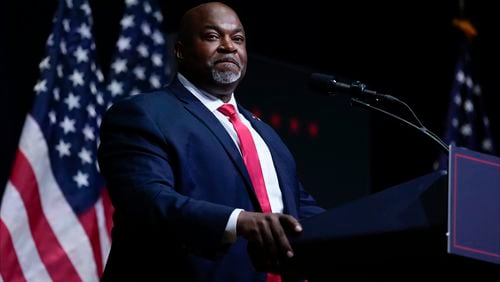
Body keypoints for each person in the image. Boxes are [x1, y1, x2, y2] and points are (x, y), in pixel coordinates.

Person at [97, 2, 324, 281]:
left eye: (237, 39)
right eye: (213, 36)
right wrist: (238, 222)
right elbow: (148, 202)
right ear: (180, 51)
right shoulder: (143, 114)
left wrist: (363, 228)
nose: (229, 46)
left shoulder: (263, 133)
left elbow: (301, 208)